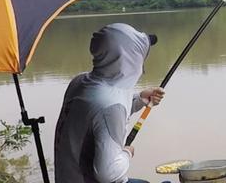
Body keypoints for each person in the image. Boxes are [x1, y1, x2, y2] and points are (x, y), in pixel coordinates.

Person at [54, 23, 166, 183]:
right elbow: (109, 174)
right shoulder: (111, 107)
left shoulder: (79, 82)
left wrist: (140, 99)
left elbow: (98, 115)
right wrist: (127, 152)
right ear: (130, 58)